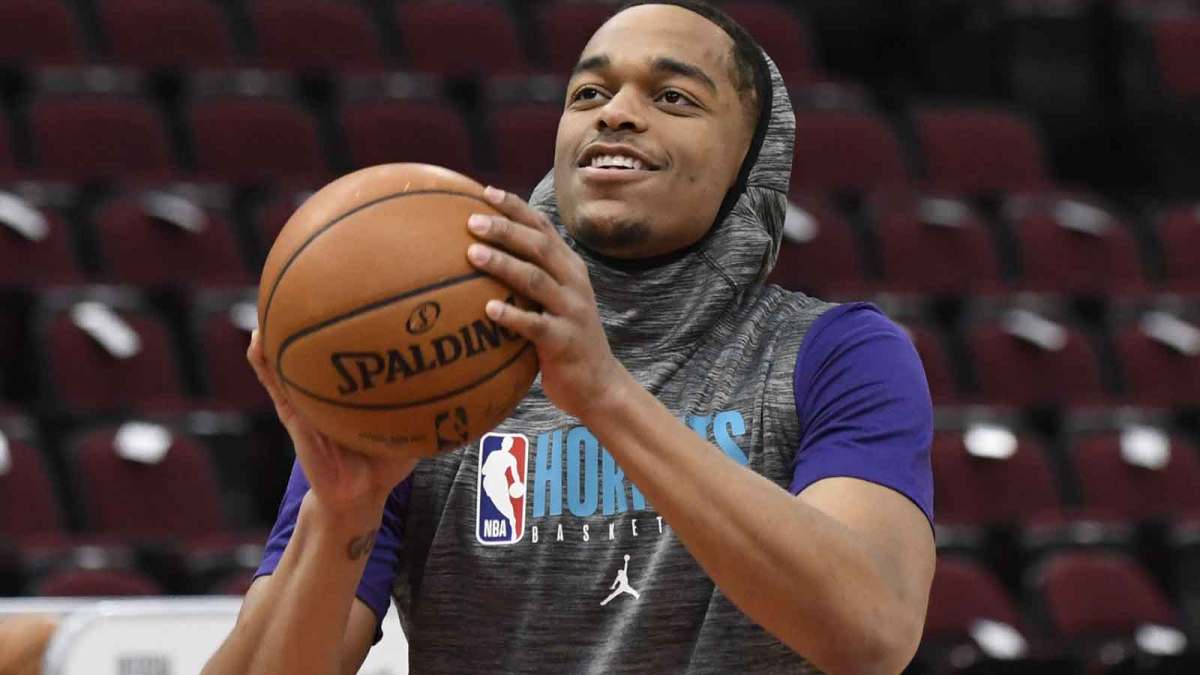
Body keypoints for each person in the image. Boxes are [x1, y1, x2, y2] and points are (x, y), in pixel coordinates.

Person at [203, 1, 935, 673]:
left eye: (672, 96)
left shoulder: (835, 354)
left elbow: (870, 631)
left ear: (753, 162)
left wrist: (604, 392)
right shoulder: (422, 359)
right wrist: (341, 515)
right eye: (588, 93)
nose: (615, 113)